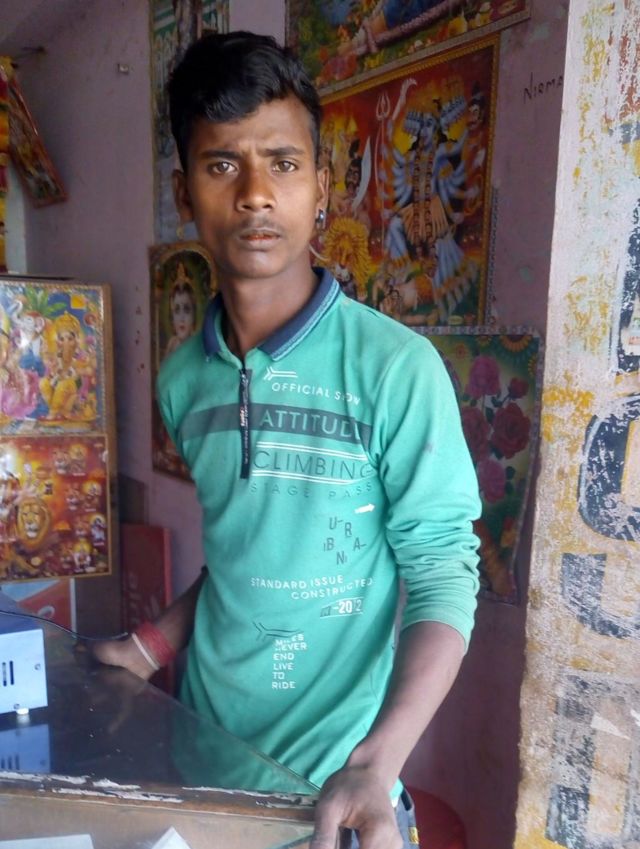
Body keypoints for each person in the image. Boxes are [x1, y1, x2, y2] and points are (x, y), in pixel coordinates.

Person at [94, 31, 480, 849]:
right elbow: (246, 557)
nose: (256, 195)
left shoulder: (395, 369)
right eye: (222, 164)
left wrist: (377, 763)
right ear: (184, 191)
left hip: (336, 799)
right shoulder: (182, 380)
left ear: (322, 188)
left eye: (283, 162)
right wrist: (147, 647)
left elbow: (443, 575)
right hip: (203, 772)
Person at [165, 263, 197, 357]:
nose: (181, 318)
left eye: (187, 310)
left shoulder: (197, 347)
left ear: (193, 315)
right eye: (177, 310)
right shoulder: (172, 344)